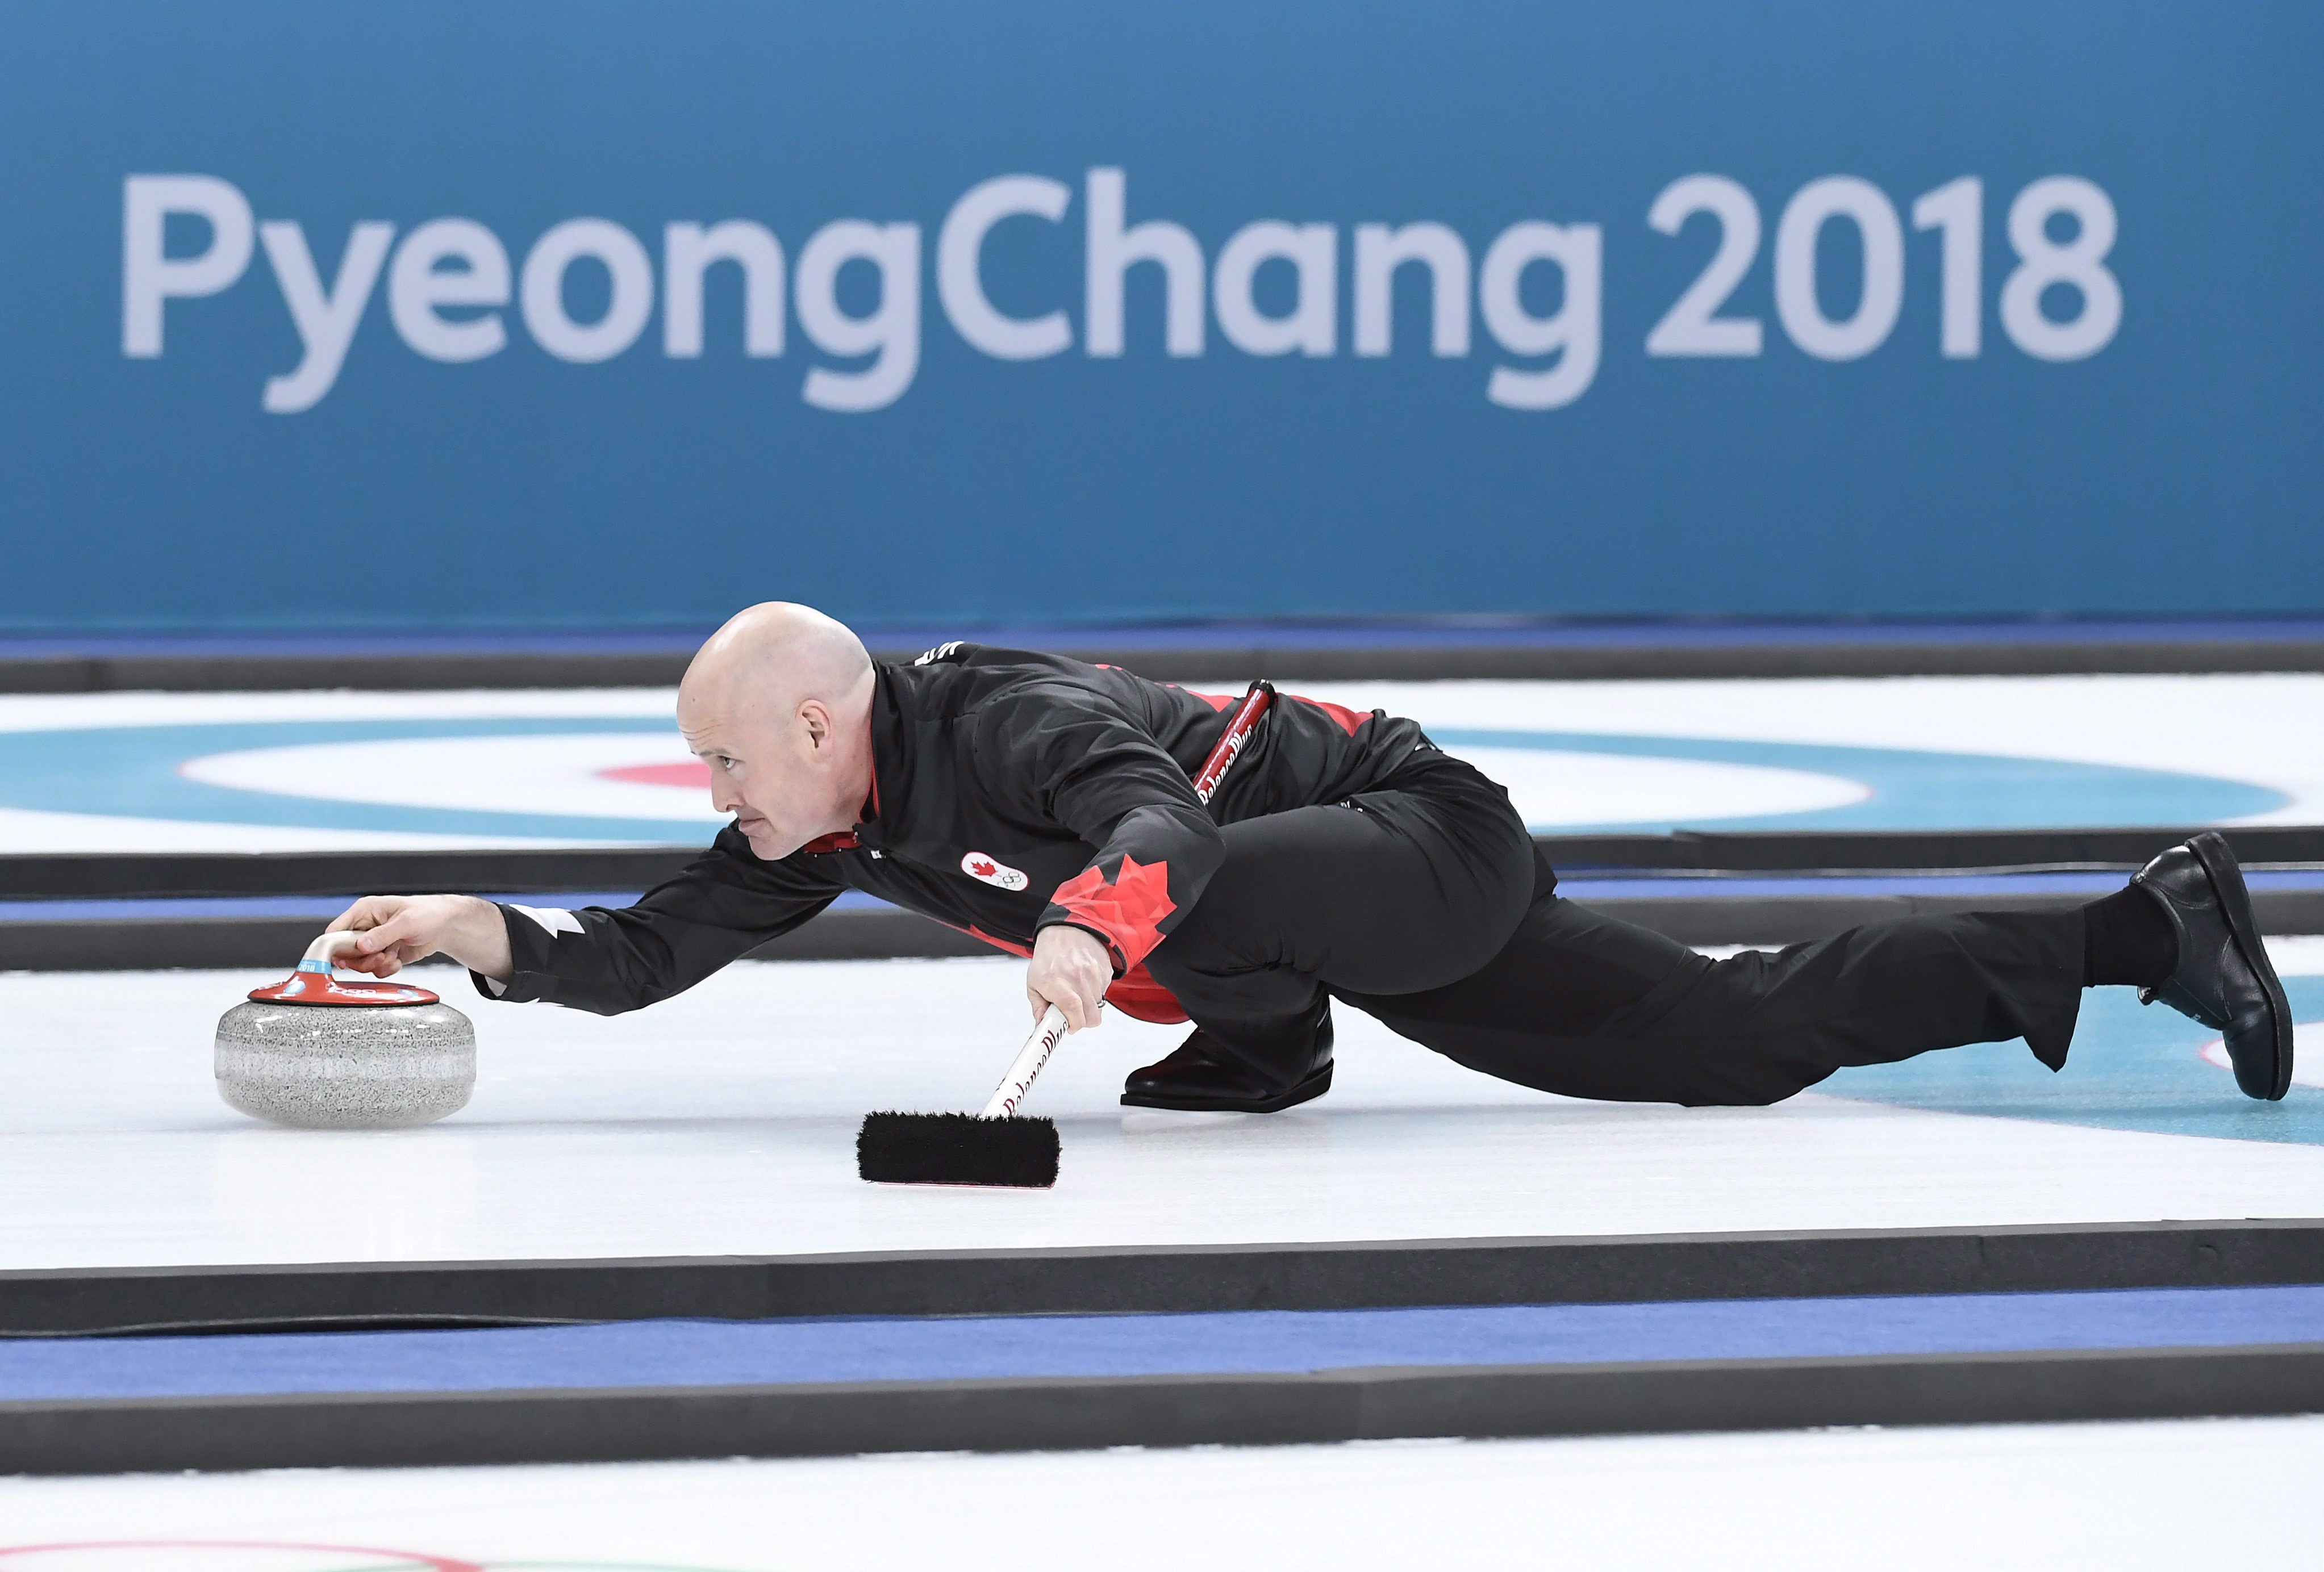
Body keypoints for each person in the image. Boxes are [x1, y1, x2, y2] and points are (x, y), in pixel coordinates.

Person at [328, 603, 2294, 1112]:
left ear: (826, 722)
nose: (710, 792)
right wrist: (481, 929)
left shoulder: (997, 718)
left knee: (1176, 886)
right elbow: (650, 944)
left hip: (1416, 837)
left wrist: (1097, 933)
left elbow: (1160, 823)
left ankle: (1265, 1037)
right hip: (1352, 916)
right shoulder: (819, 819)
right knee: (1729, 1041)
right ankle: (2142, 930)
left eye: (722, 756)